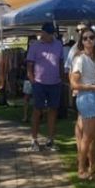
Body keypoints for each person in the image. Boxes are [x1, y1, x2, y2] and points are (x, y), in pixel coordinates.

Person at [70, 27, 95, 181]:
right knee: (88, 136)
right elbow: (74, 84)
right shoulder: (80, 59)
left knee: (93, 135)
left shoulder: (93, 57)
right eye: (85, 38)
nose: (88, 41)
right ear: (81, 41)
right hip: (86, 97)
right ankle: (81, 169)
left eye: (91, 37)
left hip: (92, 96)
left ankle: (91, 167)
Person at [26, 22, 64, 152]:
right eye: (48, 33)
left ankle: (50, 140)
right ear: (42, 33)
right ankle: (34, 140)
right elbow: (29, 66)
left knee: (53, 111)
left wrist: (61, 78)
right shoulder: (35, 46)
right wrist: (33, 81)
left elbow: (60, 62)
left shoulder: (58, 44)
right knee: (37, 111)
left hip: (55, 83)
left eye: (51, 33)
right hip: (39, 83)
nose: (50, 36)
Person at [21, 35, 37, 123]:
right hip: (28, 78)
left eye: (34, 42)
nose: (33, 44)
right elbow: (23, 66)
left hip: (38, 78)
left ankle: (35, 116)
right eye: (31, 42)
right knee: (26, 97)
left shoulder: (39, 52)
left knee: (36, 98)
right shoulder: (26, 53)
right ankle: (25, 115)